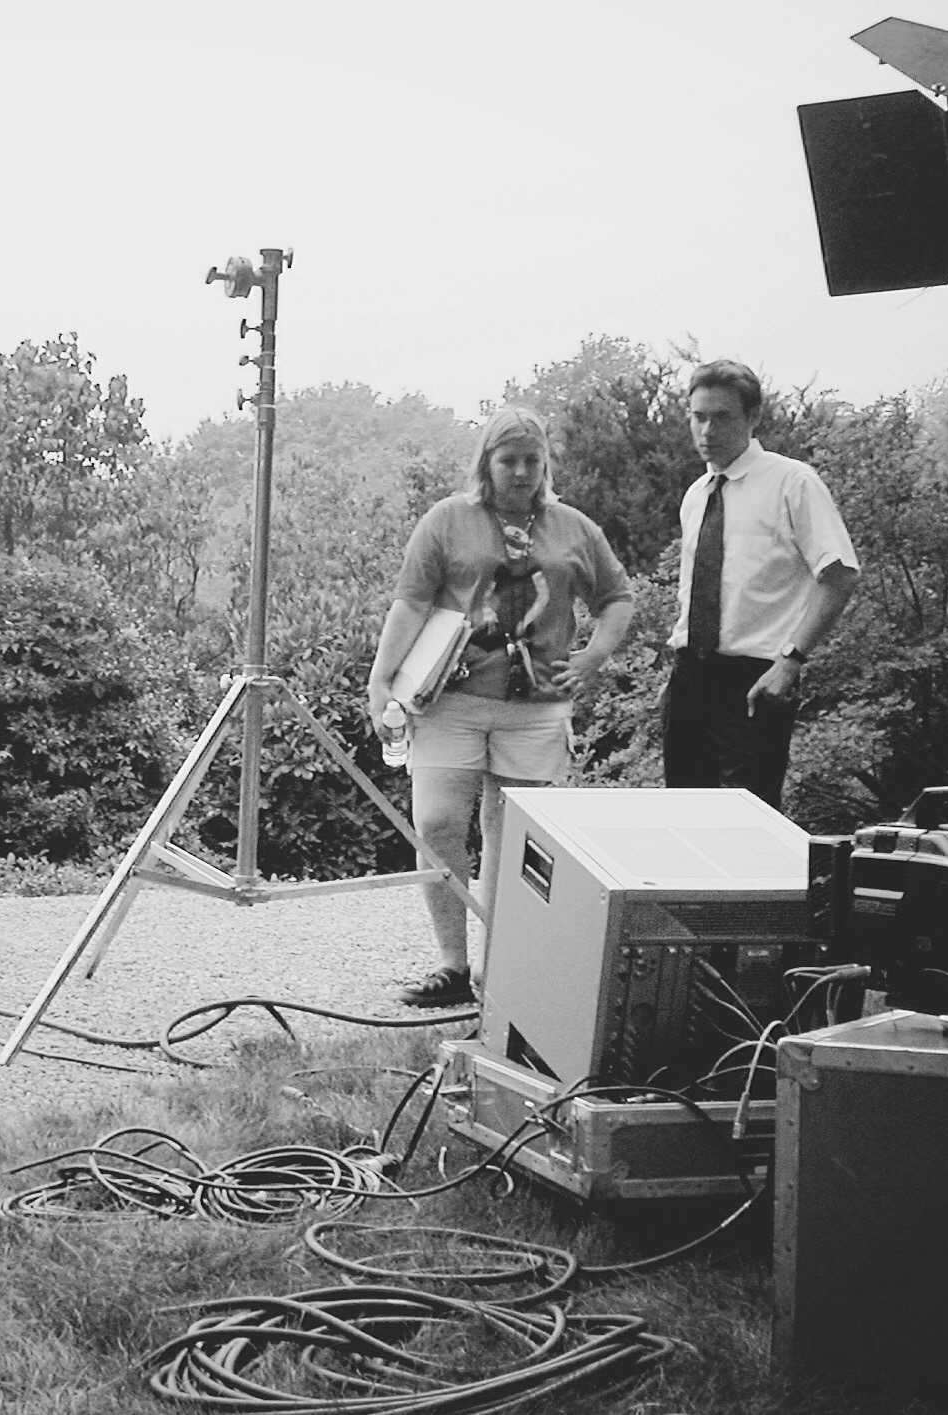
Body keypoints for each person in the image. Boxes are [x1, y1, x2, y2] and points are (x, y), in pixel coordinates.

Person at [366, 407, 635, 1007]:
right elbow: (410, 603)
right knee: (437, 824)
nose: (520, 472)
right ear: (486, 462)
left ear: (545, 465)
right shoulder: (447, 520)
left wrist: (593, 655)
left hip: (537, 706)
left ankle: (505, 966)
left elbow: (617, 599)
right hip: (450, 699)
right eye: (508, 460)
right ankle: (451, 967)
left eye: (531, 461)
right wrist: (382, 679)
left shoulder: (572, 528)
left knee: (512, 837)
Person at [662, 359, 859, 810]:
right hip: (690, 674)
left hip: (755, 677)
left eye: (722, 417)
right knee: (683, 814)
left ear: (752, 418)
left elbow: (840, 575)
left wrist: (791, 661)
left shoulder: (792, 482)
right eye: (699, 417)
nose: (707, 430)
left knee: (748, 821)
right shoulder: (698, 494)